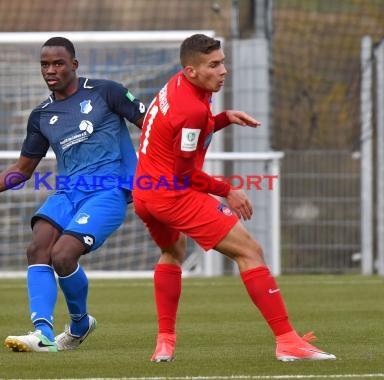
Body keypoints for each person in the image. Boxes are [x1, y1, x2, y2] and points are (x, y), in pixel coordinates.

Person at [0, 36, 145, 352]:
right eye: (45, 64)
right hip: (67, 193)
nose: (51, 70)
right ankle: (43, 333)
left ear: (74, 64)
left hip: (108, 192)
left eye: (58, 63)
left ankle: (79, 324)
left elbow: (153, 127)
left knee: (63, 255)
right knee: (38, 248)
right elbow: (23, 170)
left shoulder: (106, 92)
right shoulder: (42, 115)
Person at [132, 34, 336, 362]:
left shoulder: (181, 86)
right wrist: (227, 190)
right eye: (214, 65)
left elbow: (182, 133)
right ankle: (287, 341)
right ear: (191, 70)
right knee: (250, 252)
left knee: (172, 251)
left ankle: (164, 343)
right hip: (172, 194)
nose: (223, 70)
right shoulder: (192, 109)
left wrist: (224, 118)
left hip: (144, 192)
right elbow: (185, 173)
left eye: (223, 61)